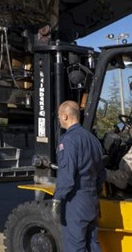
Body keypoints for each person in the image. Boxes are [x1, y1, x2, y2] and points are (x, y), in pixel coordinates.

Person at [54, 100, 104, 252]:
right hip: (92, 198)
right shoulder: (94, 140)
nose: (58, 120)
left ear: (65, 116)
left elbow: (67, 176)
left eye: (58, 117)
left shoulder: (68, 140)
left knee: (75, 246)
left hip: (76, 199)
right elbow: (101, 173)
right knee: (93, 243)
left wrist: (57, 198)